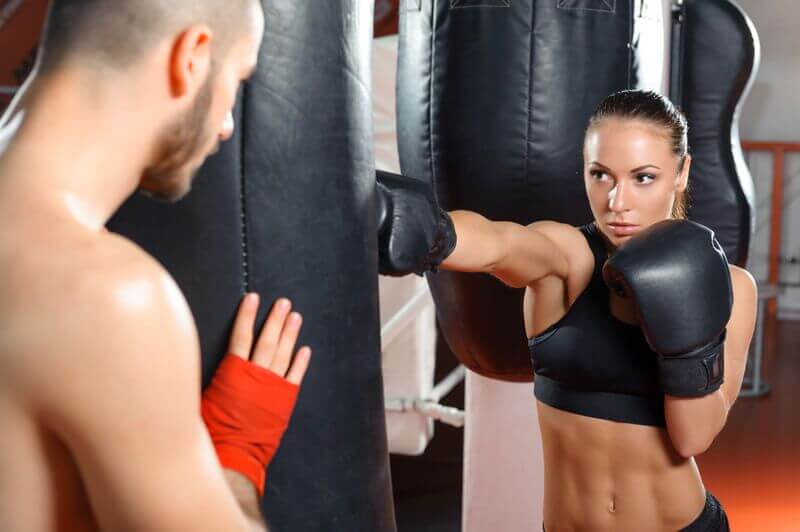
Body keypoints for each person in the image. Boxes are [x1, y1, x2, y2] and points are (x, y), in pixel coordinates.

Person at [378, 89, 757, 531]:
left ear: (681, 172)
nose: (618, 202)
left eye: (644, 177)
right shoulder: (569, 259)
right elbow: (501, 245)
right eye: (601, 175)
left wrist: (687, 333)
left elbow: (693, 435)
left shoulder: (731, 287)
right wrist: (424, 229)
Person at [0, 1, 311, 530]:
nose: (228, 124)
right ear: (191, 57)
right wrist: (237, 455)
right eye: (236, 80)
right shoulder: (107, 300)